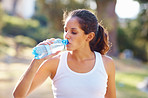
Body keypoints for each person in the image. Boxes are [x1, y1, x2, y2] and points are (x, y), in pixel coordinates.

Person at [13, 9, 116, 98]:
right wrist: (36, 61)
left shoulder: (106, 64)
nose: (66, 36)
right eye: (65, 30)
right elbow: (18, 95)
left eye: (73, 32)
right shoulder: (55, 63)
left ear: (89, 37)